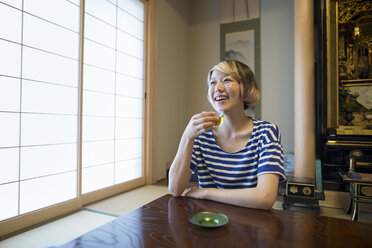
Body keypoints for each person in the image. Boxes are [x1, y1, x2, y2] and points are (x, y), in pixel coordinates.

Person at [168, 60, 286, 210]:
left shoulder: (266, 132)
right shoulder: (201, 134)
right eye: (212, 83)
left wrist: (207, 192)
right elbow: (175, 189)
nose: (218, 88)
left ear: (246, 88)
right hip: (209, 223)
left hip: (252, 224)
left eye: (226, 80)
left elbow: (265, 198)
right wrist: (187, 137)